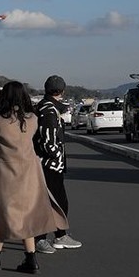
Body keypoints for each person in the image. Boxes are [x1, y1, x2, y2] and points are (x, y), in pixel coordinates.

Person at [0, 81, 69, 274]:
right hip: (30, 174)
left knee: (1, 214)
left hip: (6, 175)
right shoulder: (32, 119)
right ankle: (30, 259)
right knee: (27, 216)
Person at [34, 74, 82, 252]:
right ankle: (45, 238)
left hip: (46, 163)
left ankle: (59, 234)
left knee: (54, 201)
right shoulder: (49, 110)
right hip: (49, 164)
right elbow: (48, 141)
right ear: (62, 91)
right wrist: (56, 156)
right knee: (54, 201)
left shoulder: (44, 107)